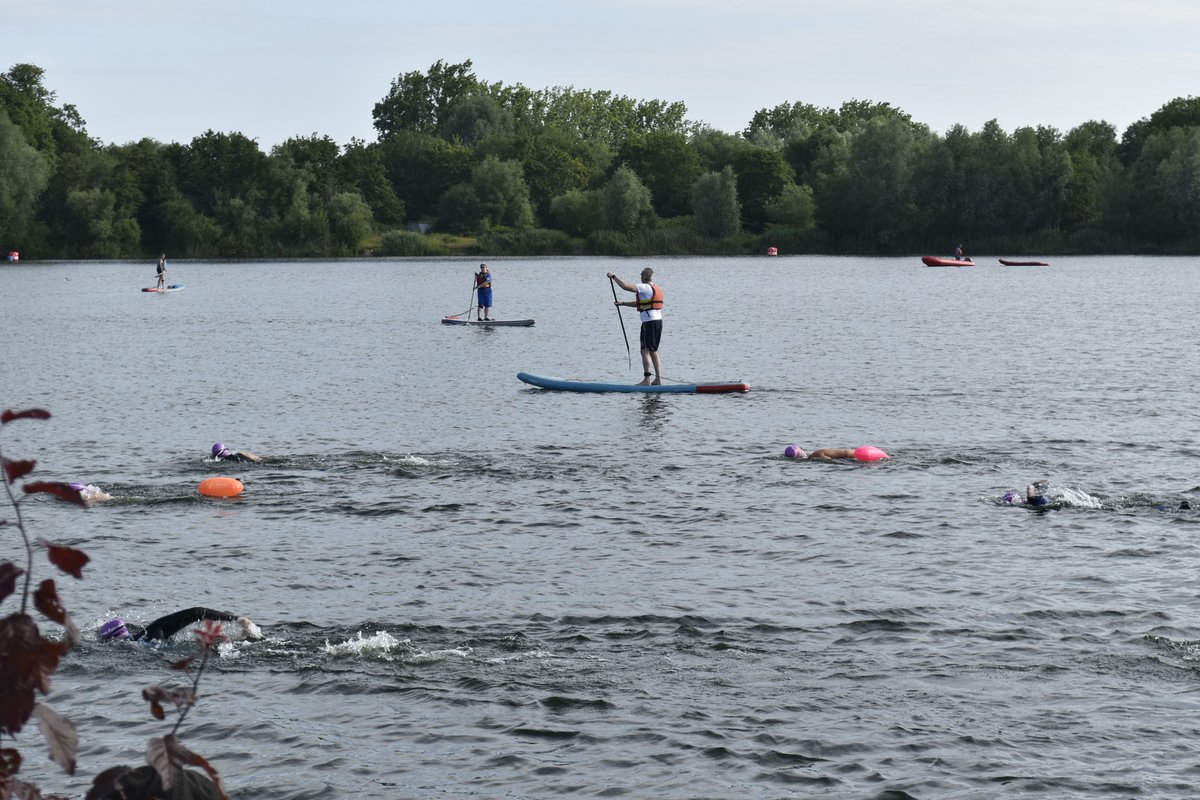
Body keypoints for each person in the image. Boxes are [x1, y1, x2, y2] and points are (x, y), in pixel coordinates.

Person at [608, 268, 664, 386]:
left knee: (644, 350)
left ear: (643, 277)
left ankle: (647, 379)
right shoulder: (654, 288)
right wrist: (623, 303)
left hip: (649, 323)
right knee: (653, 351)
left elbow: (625, 286)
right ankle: (658, 379)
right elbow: (640, 304)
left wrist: (613, 277)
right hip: (657, 321)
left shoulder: (644, 287)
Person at [99, 607, 263, 643]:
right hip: (153, 640)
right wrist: (233, 618)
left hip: (154, 649)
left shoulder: (128, 644)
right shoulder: (149, 632)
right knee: (195, 613)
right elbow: (197, 612)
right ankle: (239, 621)